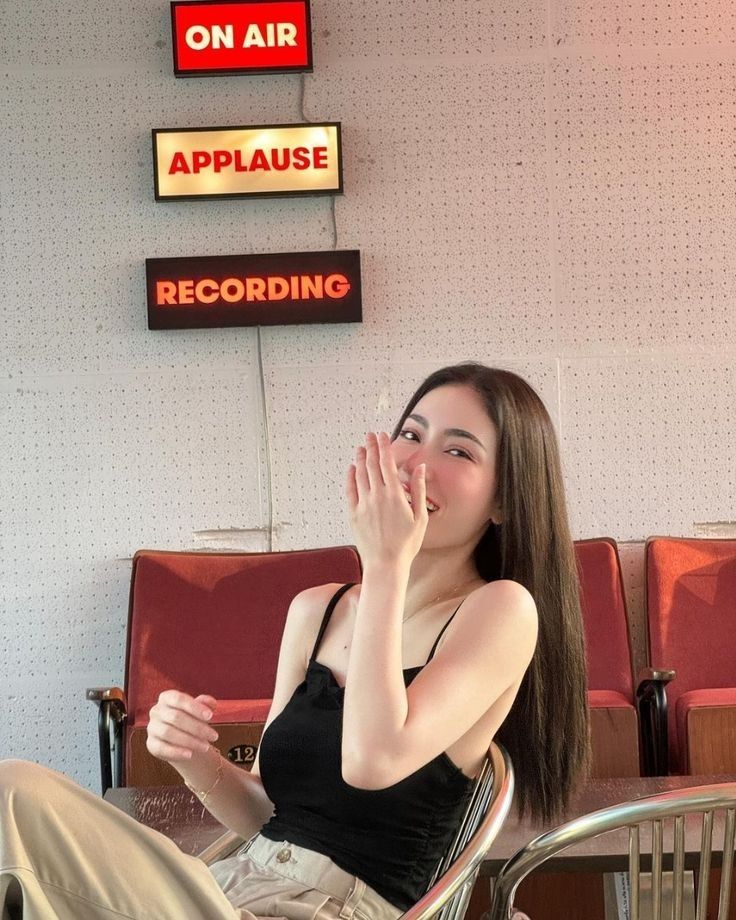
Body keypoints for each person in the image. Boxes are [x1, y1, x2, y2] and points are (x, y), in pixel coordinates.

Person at [0, 362, 589, 920]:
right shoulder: (317, 610)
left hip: (339, 908)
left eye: (458, 451)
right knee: (14, 794)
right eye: (411, 434)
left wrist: (386, 564)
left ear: (505, 500)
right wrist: (193, 758)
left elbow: (373, 761)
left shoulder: (501, 610)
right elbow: (268, 812)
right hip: (233, 889)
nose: (417, 463)